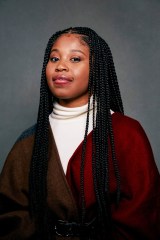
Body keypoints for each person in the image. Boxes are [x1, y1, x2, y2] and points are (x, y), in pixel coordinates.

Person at [0, 27, 159, 240]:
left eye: (75, 59)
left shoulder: (126, 133)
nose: (61, 66)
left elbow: (143, 215)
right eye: (54, 58)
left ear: (97, 68)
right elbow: (11, 214)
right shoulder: (30, 141)